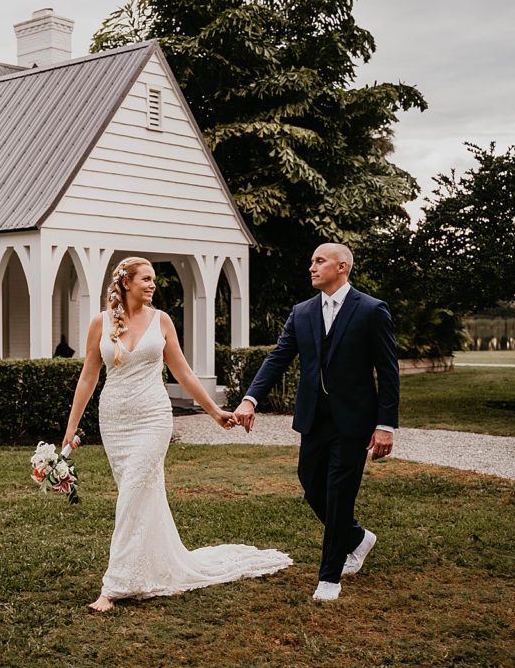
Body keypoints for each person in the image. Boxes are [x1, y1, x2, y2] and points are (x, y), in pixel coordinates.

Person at [62, 257, 293, 613]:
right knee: (138, 496)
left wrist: (215, 412)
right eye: (146, 279)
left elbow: (183, 373)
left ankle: (114, 587)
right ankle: (150, 567)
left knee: (132, 495)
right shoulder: (100, 323)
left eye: (154, 279)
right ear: (126, 283)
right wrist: (72, 427)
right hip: (115, 422)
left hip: (154, 419)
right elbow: (88, 377)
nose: (153, 285)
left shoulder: (162, 321)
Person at [233, 243, 399, 602]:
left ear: (342, 267)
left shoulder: (371, 311)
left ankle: (330, 576)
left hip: (354, 421)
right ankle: (357, 537)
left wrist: (386, 424)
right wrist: (250, 398)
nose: (311, 267)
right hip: (313, 418)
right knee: (311, 485)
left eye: (319, 261)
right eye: (311, 261)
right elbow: (278, 358)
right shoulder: (303, 312)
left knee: (339, 493)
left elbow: (388, 372)